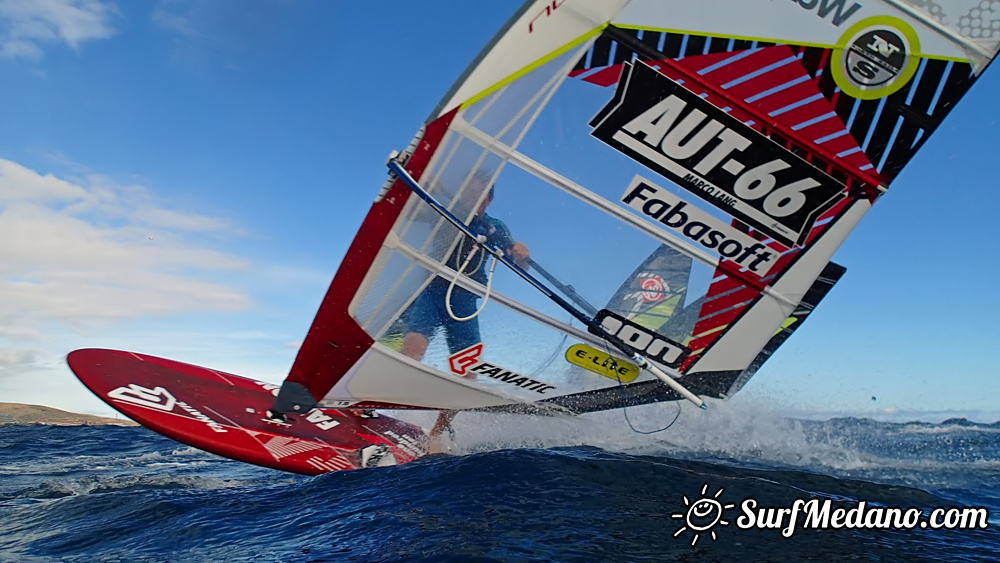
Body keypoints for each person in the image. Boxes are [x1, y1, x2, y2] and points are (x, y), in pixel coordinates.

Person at [401, 185, 529, 453]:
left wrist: (520, 253)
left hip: (465, 300)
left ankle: (435, 435)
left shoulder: (493, 226)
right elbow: (411, 212)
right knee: (411, 350)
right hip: (434, 290)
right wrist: (421, 185)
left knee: (467, 374)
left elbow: (517, 261)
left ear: (489, 199)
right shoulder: (446, 212)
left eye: (480, 193)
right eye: (469, 190)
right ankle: (369, 406)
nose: (473, 197)